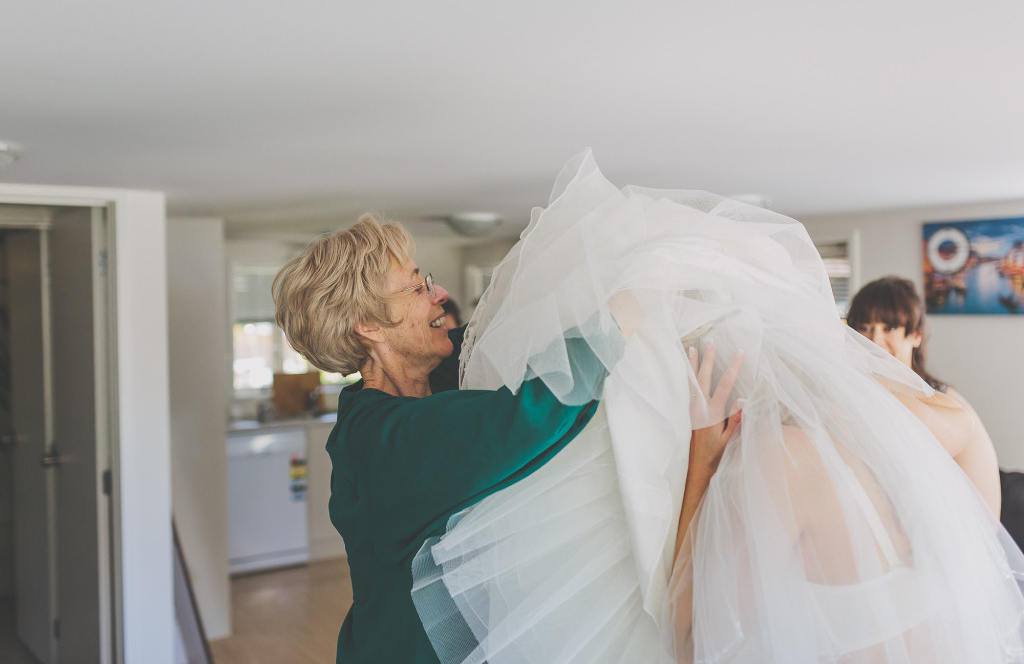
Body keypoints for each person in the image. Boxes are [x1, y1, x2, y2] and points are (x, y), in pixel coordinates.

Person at [410, 150, 1024, 663]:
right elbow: (989, 560)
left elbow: (692, 643)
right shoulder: (946, 432)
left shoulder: (779, 463)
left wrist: (703, 457)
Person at [272, 215, 620, 664]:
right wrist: (623, 319)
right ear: (369, 326)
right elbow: (531, 414)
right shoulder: (383, 440)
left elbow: (501, 334)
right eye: (416, 288)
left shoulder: (435, 373)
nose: (439, 295)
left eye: (426, 280)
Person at [847, 276, 1020, 538]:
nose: (875, 340)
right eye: (865, 327)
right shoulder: (858, 394)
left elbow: (986, 516)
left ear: (915, 336)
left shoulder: (943, 402)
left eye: (889, 328)